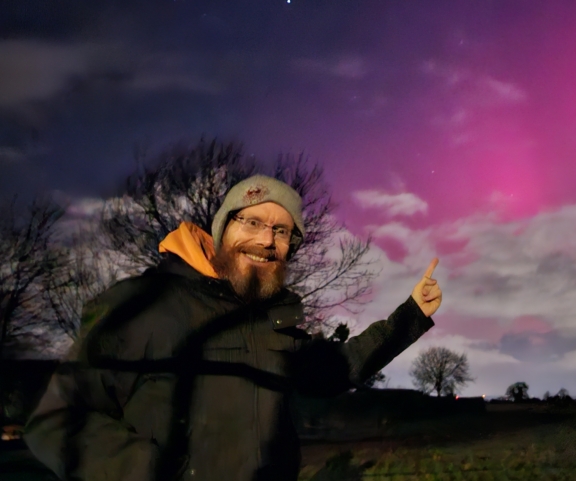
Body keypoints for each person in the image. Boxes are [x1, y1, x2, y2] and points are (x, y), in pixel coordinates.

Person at [23, 175, 441, 480]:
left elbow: (335, 367)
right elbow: (58, 419)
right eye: (251, 222)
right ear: (223, 230)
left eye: (281, 231)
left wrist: (411, 315)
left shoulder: (272, 320)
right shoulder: (143, 303)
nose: (266, 240)